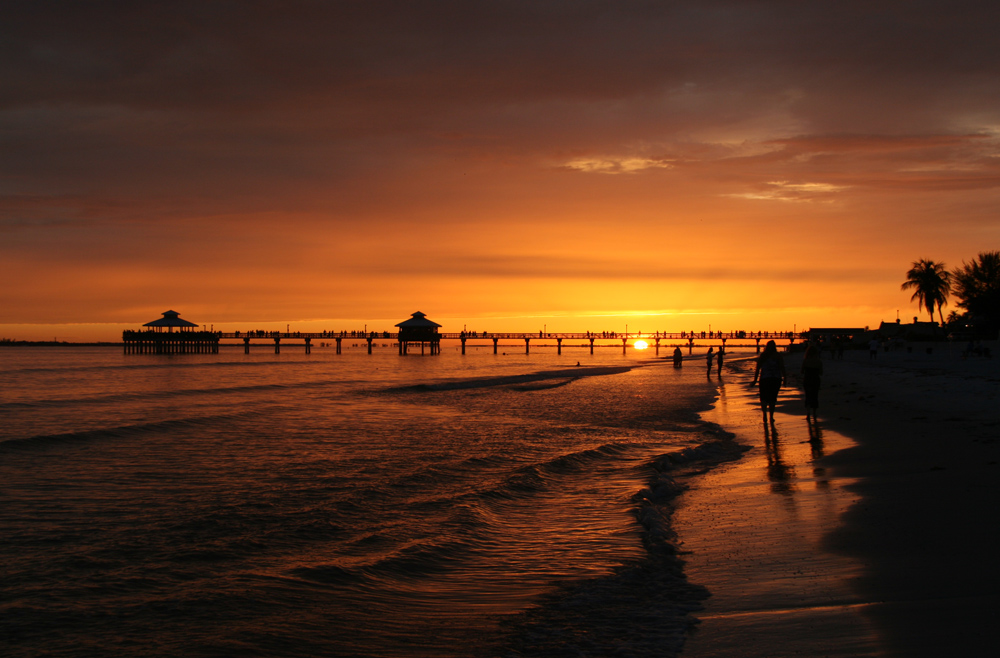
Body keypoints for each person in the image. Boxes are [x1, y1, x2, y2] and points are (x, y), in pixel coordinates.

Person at [751, 340, 786, 423]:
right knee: (772, 399)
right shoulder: (778, 356)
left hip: (764, 379)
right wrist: (785, 378)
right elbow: (782, 368)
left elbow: (758, 368)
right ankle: (771, 416)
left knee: (763, 398)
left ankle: (764, 415)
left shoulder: (763, 356)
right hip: (775, 379)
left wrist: (755, 380)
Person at [801, 343, 823, 419]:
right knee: (815, 395)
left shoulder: (805, 361)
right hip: (815, 379)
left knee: (808, 395)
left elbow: (802, 371)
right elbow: (821, 373)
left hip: (807, 379)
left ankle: (808, 412)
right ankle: (814, 413)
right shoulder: (818, 361)